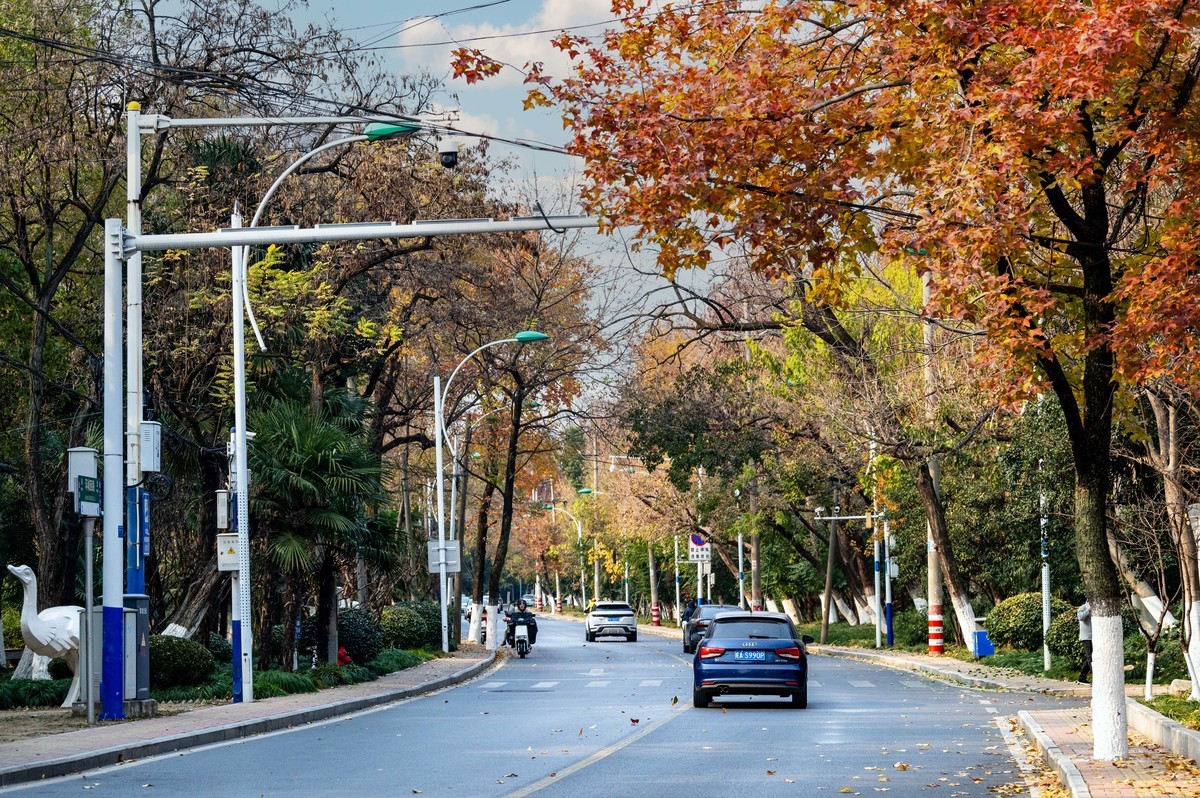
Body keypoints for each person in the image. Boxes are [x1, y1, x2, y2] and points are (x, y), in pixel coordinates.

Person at [1077, 601, 1092, 684]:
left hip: (1095, 637)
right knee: (1091, 657)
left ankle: (1082, 677)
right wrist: (1089, 609)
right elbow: (1080, 617)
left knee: (1091, 657)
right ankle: (1097, 677)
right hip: (1086, 637)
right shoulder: (1083, 607)